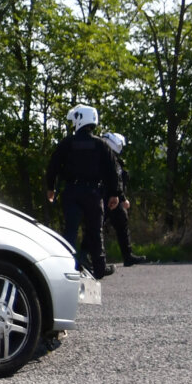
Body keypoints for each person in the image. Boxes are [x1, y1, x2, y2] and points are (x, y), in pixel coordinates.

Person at [45, 104, 119, 279]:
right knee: (95, 231)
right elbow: (112, 170)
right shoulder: (101, 144)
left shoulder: (67, 143)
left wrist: (51, 187)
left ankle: (66, 268)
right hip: (93, 194)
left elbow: (53, 166)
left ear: (79, 120)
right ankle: (99, 270)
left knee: (70, 231)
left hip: (72, 191)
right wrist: (115, 193)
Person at [101, 132, 145, 266]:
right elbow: (116, 180)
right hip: (106, 198)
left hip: (111, 197)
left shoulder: (109, 158)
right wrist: (122, 198)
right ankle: (91, 258)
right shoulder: (108, 159)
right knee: (96, 227)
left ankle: (127, 256)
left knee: (121, 223)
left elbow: (118, 180)